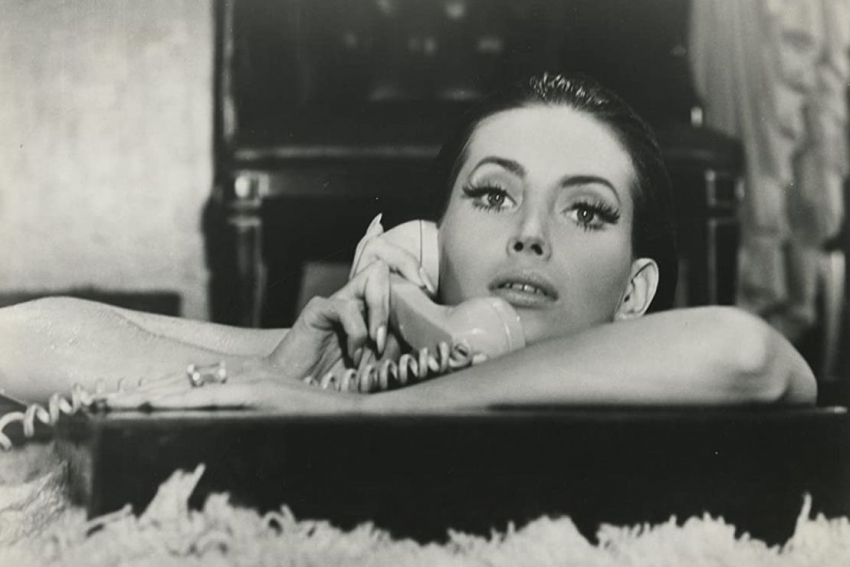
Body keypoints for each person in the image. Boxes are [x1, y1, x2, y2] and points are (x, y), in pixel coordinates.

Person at [0, 74, 816, 417]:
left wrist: (368, 410)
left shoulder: (672, 366)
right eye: (493, 194)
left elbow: (748, 353)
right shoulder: (355, 365)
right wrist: (280, 373)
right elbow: (23, 338)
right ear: (428, 241)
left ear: (635, 291)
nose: (530, 232)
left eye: (586, 210)